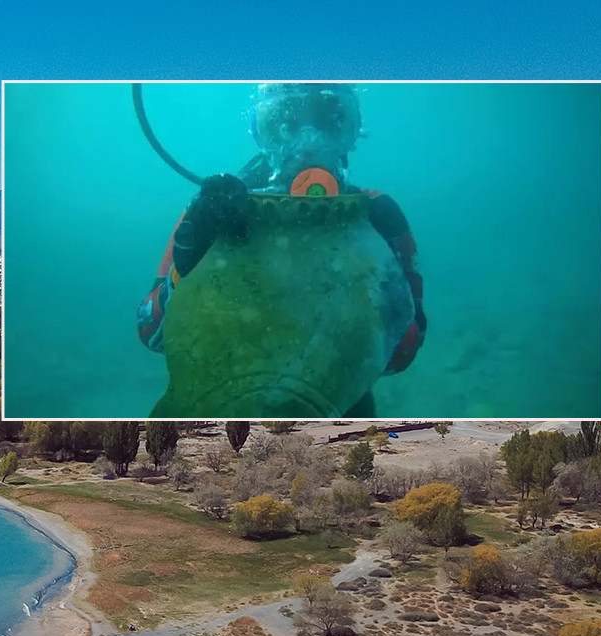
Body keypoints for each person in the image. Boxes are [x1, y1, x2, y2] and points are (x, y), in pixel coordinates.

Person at [136, 83, 426, 417]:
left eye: (328, 122)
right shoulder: (215, 212)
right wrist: (184, 269)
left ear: (352, 131)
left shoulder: (378, 217)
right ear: (260, 134)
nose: (307, 144)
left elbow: (404, 351)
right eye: (282, 125)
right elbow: (151, 333)